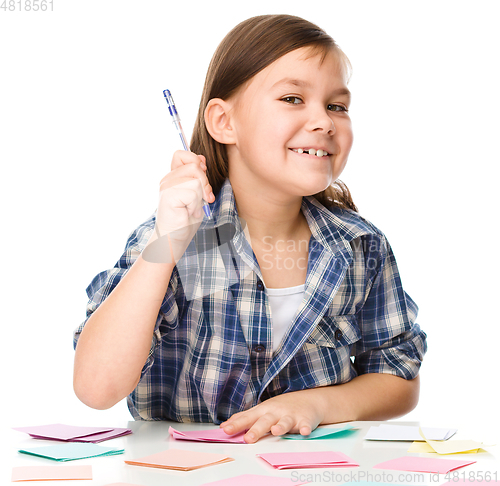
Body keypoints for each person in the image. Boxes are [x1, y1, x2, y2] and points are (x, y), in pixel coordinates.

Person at [73, 14, 427, 444]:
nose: (325, 121)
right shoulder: (180, 240)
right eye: (293, 98)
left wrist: (315, 404)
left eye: (336, 106)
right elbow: (96, 388)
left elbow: (398, 376)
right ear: (224, 122)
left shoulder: (359, 247)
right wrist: (165, 246)